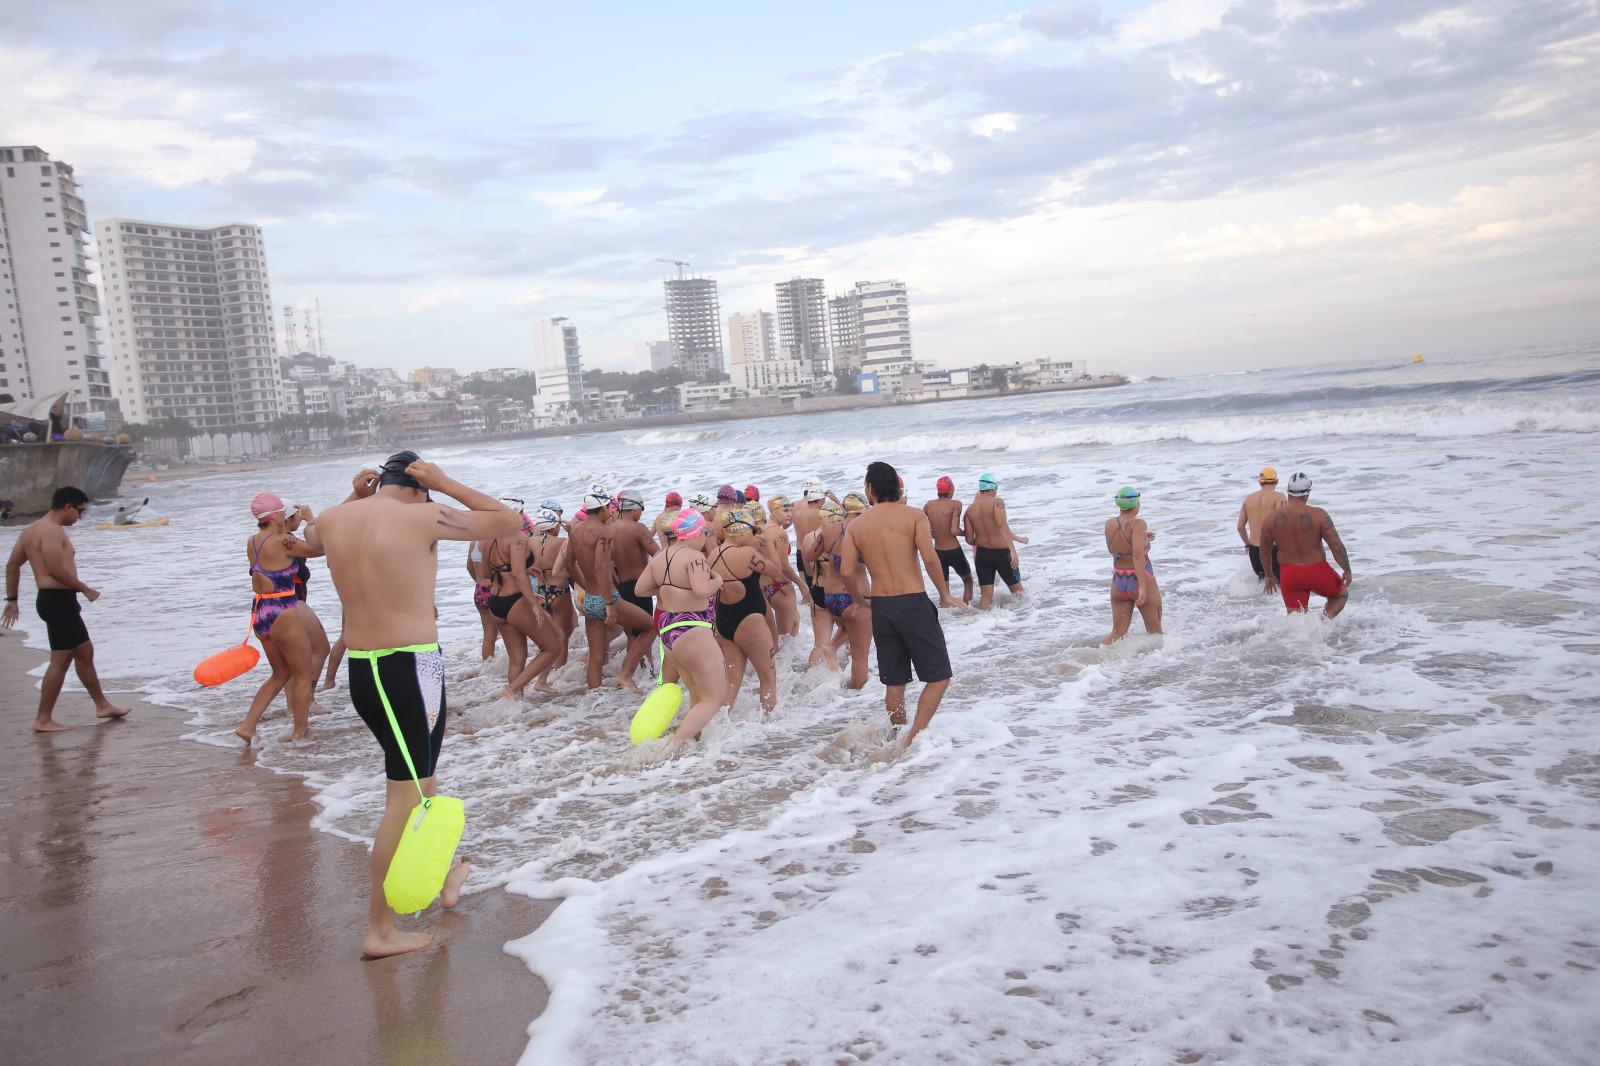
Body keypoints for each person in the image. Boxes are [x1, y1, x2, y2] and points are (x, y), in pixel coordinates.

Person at [305, 450, 518, 958]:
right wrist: (446, 482)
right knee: (403, 797)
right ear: (419, 485)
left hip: (366, 669)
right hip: (408, 668)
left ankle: (441, 876)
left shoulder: (334, 519)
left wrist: (355, 498)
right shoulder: (422, 514)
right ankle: (379, 930)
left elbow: (304, 545)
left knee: (421, 781)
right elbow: (509, 521)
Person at [841, 462, 964, 746]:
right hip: (913, 603)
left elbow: (847, 572)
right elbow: (930, 558)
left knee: (894, 681)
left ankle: (898, 734)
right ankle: (912, 737)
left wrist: (859, 600)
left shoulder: (857, 526)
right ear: (898, 487)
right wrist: (944, 594)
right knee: (938, 676)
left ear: (869, 489)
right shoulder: (914, 516)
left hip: (882, 607)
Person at [3, 486, 130, 731]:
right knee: (60, 660)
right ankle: (43, 719)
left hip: (56, 601)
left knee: (85, 652)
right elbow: (53, 568)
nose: (79, 517)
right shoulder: (51, 531)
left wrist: (12, 599)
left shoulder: (30, 531)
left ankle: (102, 705)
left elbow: (12, 565)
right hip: (58, 601)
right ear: (68, 506)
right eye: (79, 511)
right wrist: (85, 588)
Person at [633, 509, 727, 754]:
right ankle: (673, 747)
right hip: (692, 628)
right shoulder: (695, 557)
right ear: (693, 532)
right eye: (704, 532)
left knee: (697, 694)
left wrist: (670, 590)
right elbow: (703, 590)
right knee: (714, 697)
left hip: (668, 628)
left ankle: (696, 744)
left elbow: (641, 590)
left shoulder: (660, 556)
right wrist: (718, 580)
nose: (706, 537)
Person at [233, 495, 323, 744]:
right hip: (283, 610)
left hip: (261, 612)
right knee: (303, 674)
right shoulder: (284, 541)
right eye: (282, 513)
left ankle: (248, 726)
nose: (285, 516)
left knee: (280, 674)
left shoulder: (252, 542)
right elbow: (319, 548)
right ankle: (299, 734)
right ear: (274, 516)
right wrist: (311, 520)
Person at [711, 508, 801, 712]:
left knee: (732, 682)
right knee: (768, 679)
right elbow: (776, 571)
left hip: (723, 621)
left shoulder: (713, 555)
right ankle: (768, 730)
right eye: (751, 531)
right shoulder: (746, 554)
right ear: (742, 531)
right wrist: (768, 543)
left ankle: (719, 725)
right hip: (749, 621)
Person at [568, 485, 654, 690]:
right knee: (651, 627)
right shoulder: (604, 532)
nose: (611, 511)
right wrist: (609, 602)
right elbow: (601, 567)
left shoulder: (576, 530)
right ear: (602, 508)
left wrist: (587, 585)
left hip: (589, 598)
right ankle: (625, 674)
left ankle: (594, 699)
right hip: (607, 598)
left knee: (596, 654)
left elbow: (569, 564)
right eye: (608, 507)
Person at [320, 466, 383, 691]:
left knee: (348, 637)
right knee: (352, 637)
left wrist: (357, 495)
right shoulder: (349, 541)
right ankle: (331, 681)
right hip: (363, 594)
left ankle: (330, 682)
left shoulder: (344, 540)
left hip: (354, 593)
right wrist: (357, 494)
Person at [1261, 472, 1352, 618]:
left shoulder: (1270, 518)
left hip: (1289, 575)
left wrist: (1268, 575)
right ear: (1307, 493)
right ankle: (1322, 623)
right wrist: (1346, 570)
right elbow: (1336, 545)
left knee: (1297, 620)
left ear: (1288, 492)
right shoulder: (1319, 515)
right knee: (1341, 595)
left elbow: (1264, 551)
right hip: (1317, 570)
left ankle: (1306, 635)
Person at [813, 497, 875, 689]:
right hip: (856, 597)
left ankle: (831, 648)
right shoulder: (865, 532)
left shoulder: (828, 531)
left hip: (830, 598)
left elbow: (808, 555)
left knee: (848, 628)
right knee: (860, 657)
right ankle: (856, 700)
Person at [611, 490, 660, 693]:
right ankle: (628, 674)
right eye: (642, 509)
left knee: (634, 634)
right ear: (635, 508)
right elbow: (658, 554)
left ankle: (644, 673)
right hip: (641, 588)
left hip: (621, 588)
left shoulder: (609, 530)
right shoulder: (637, 528)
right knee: (650, 629)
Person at [1102, 486, 1163, 644]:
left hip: (1118, 581)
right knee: (1155, 633)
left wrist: (1142, 537)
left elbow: (1113, 550)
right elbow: (1137, 554)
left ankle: (1094, 659)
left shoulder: (1110, 524)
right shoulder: (1138, 524)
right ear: (1136, 504)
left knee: (1117, 634)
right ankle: (1157, 666)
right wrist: (1142, 587)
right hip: (1139, 580)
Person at [964, 472, 1028, 609]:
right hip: (1002, 554)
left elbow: (969, 539)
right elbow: (1002, 525)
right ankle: (1024, 622)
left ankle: (976, 624)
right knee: (1019, 595)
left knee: (985, 598)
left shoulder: (969, 510)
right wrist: (1013, 551)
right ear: (993, 488)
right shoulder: (997, 502)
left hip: (982, 555)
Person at [923, 476, 973, 605]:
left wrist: (935, 534)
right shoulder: (956, 504)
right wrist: (969, 533)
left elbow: (925, 529)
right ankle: (968, 613)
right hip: (954, 551)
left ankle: (945, 617)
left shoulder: (928, 505)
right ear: (950, 490)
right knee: (968, 581)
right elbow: (954, 530)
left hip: (938, 552)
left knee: (944, 592)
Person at [1237, 466, 1286, 585]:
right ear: (1277, 481)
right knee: (1279, 587)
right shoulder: (1280, 497)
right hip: (1272, 549)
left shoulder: (1248, 499)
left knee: (1264, 585)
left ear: (1260, 482)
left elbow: (1240, 527)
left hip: (1254, 551)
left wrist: (1247, 544)